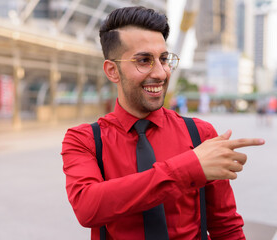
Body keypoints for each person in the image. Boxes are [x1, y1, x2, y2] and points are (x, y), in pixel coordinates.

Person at [61, 6, 264, 239]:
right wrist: (189, 167)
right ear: (112, 71)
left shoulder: (200, 134)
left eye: (164, 59)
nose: (161, 72)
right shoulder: (84, 139)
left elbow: (226, 227)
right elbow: (89, 207)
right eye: (144, 60)